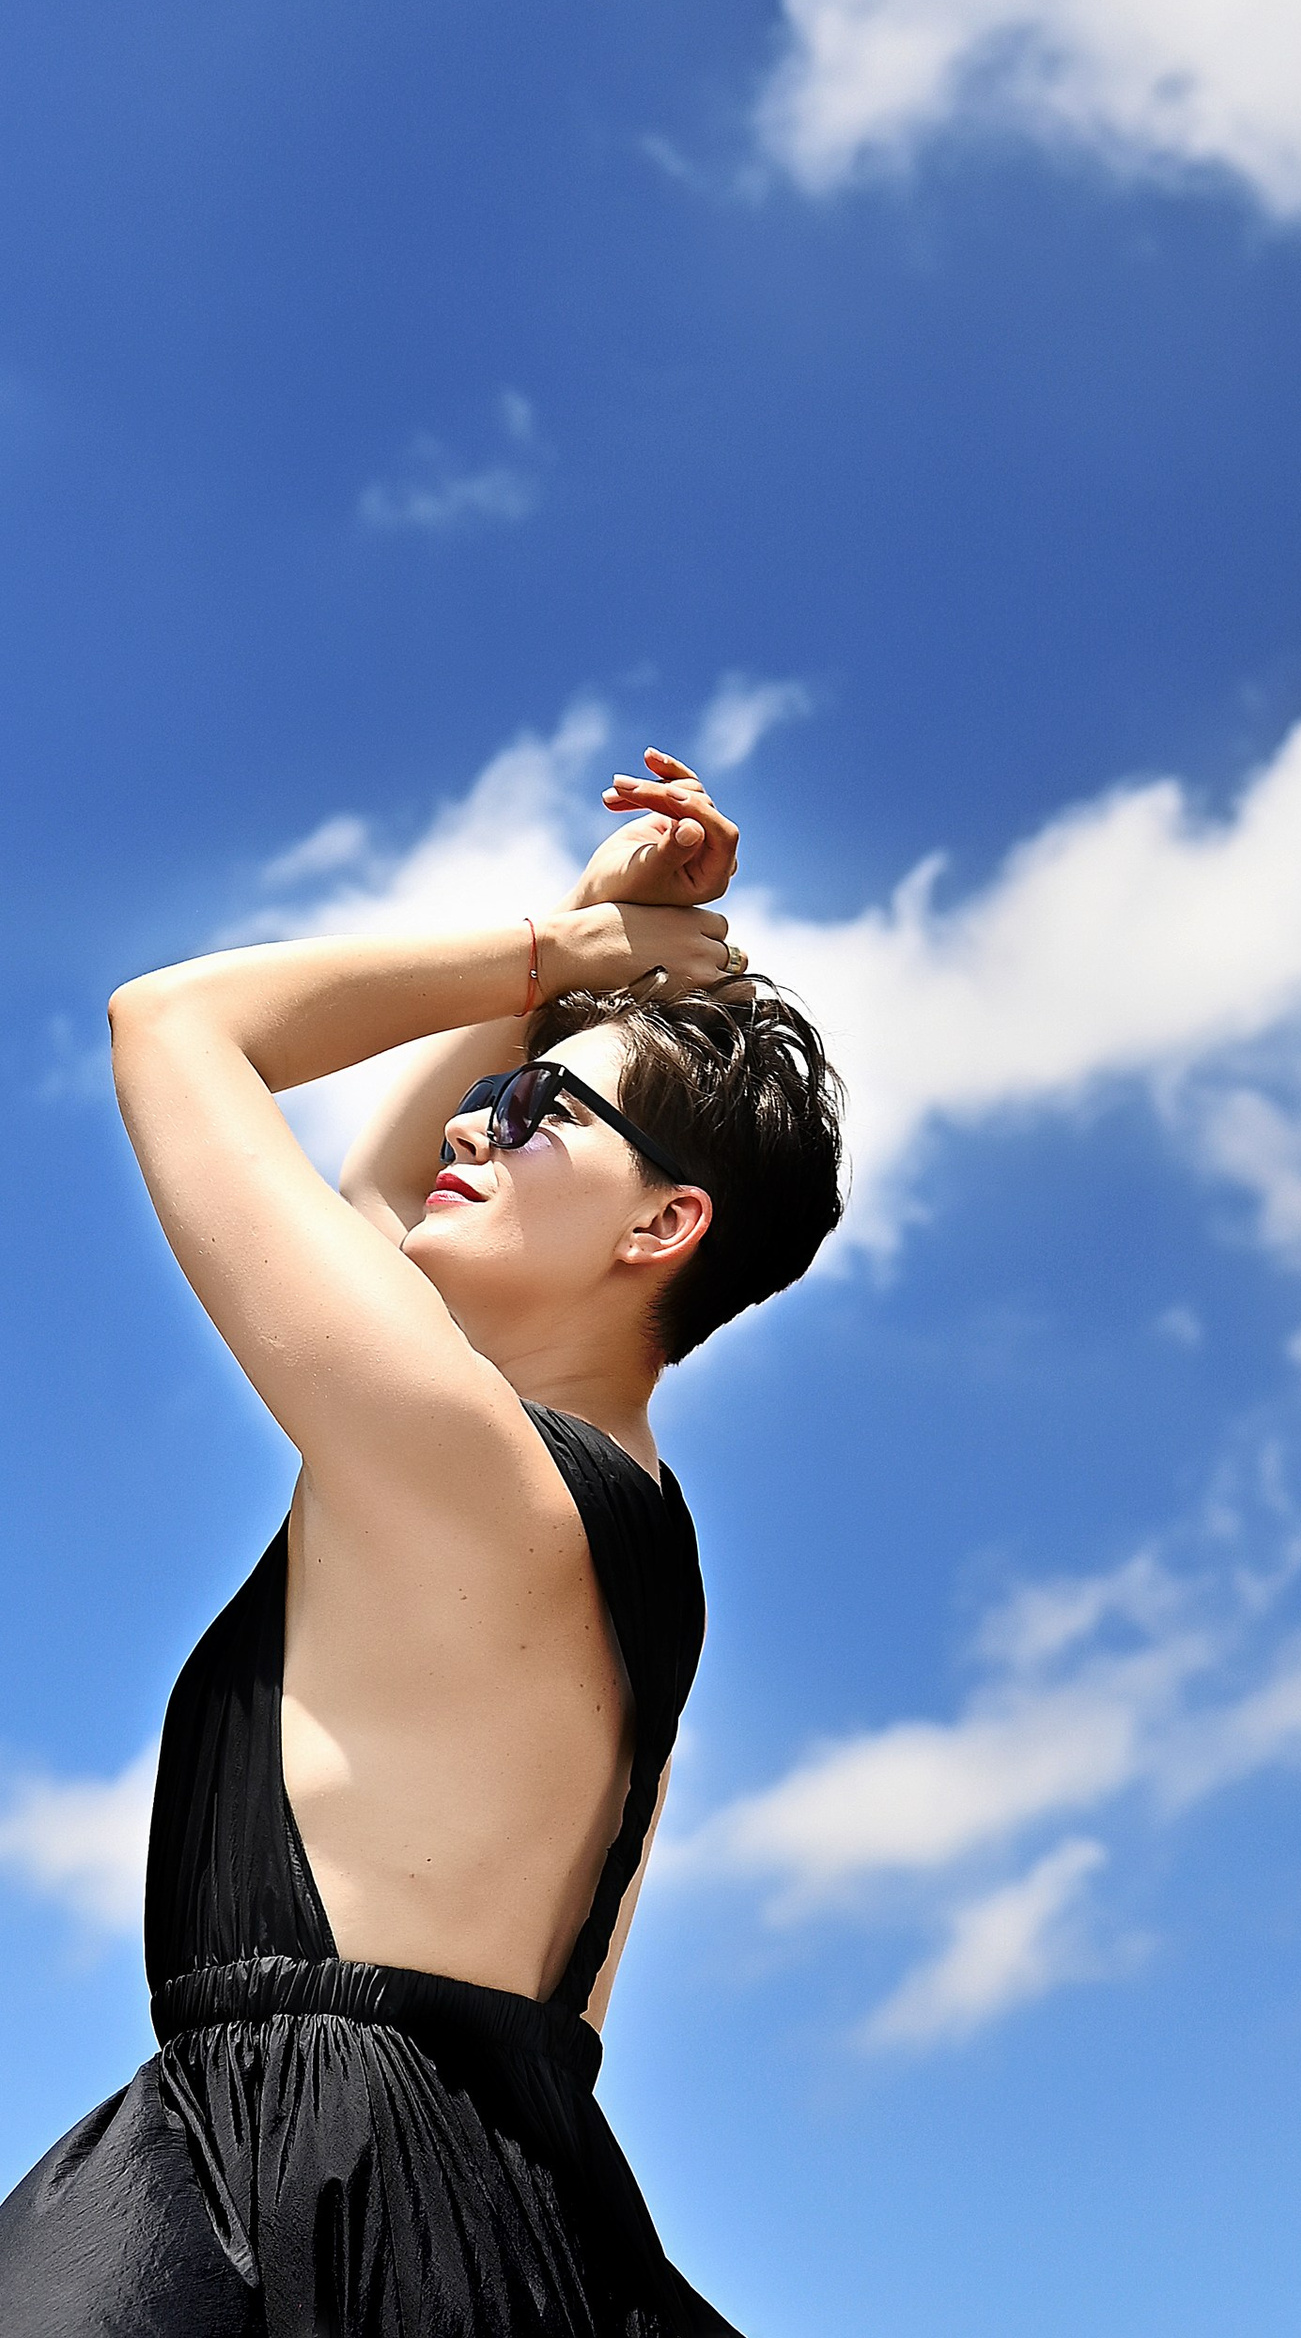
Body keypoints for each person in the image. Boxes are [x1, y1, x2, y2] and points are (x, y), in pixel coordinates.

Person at [0, 747, 843, 2337]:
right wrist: (584, 950)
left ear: (664, 1228)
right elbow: (383, 1190)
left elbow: (173, 1025)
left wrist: (560, 954)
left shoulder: (470, 1475)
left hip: (290, 2197)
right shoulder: (610, 1520)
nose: (480, 1117)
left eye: (539, 1110)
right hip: (486, 2194)